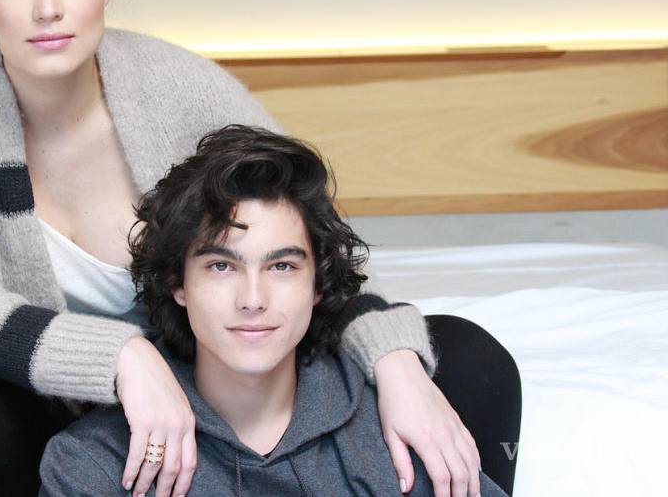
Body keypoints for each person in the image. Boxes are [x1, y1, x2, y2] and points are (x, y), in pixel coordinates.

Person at [0, 0, 521, 496]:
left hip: (202, 415)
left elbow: (310, 251)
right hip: (31, 407)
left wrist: (393, 360)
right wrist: (120, 358)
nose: (48, 8)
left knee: (465, 361)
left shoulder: (180, 92)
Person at [40, 125, 509, 497]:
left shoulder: (401, 439)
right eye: (222, 266)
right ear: (178, 284)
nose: (253, 299)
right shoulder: (96, 462)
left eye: (282, 266)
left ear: (317, 284)